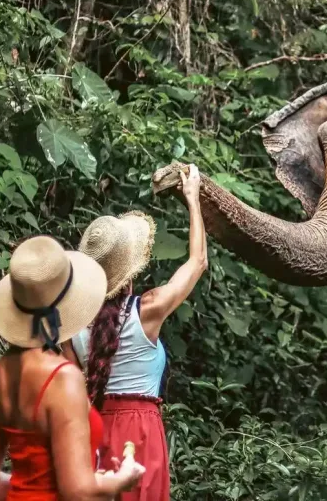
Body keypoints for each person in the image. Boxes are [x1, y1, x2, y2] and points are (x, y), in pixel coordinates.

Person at [64, 164, 207, 501]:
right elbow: (197, 262)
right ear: (131, 270)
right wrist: (193, 200)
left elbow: (71, 391)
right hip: (140, 432)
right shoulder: (148, 309)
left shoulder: (72, 325)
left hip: (92, 428)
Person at [0, 235, 146, 501]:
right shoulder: (63, 379)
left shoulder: (2, 372)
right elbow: (78, 492)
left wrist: (30, 490)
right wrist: (120, 480)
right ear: (66, 305)